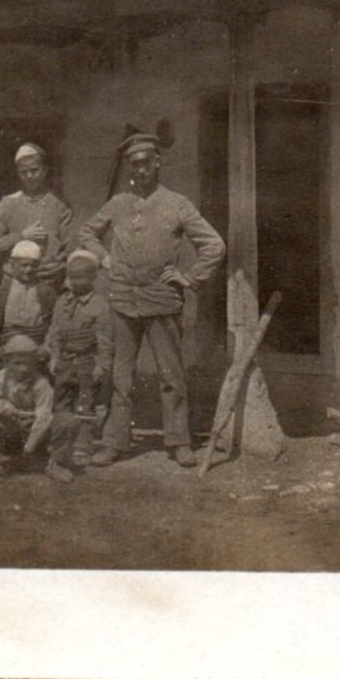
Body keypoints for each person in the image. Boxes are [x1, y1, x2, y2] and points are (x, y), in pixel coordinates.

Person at [78, 132, 225, 468]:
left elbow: (214, 245)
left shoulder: (177, 203)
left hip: (162, 300)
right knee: (121, 377)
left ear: (158, 163)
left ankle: (179, 442)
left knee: (171, 375)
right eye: (134, 164)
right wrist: (104, 259)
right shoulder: (118, 203)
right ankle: (115, 442)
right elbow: (87, 232)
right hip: (123, 300)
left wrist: (190, 278)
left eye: (146, 163)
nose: (140, 170)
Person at [0, 335, 80, 482]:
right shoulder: (3, 376)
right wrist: (3, 405)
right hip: (12, 426)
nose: (23, 369)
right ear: (7, 362)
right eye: (17, 363)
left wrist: (29, 447)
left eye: (28, 363)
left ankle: (56, 464)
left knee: (68, 421)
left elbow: (43, 419)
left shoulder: (41, 384)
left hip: (36, 430)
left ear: (35, 363)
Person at [43, 248, 113, 464]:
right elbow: (54, 333)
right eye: (72, 276)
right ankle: (60, 442)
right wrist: (53, 357)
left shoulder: (100, 305)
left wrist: (101, 366)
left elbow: (105, 340)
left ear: (94, 277)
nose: (76, 281)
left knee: (84, 402)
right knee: (62, 401)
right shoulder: (62, 301)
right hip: (64, 360)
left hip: (86, 361)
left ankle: (83, 445)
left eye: (82, 276)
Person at [0, 142, 75, 283]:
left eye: (34, 170)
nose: (29, 176)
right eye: (24, 172)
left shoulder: (59, 205)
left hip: (48, 281)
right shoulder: (8, 203)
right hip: (14, 281)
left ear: (45, 170)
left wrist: (57, 267)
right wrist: (21, 236)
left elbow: (70, 249)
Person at [0, 239, 59, 354]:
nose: (28, 270)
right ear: (13, 265)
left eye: (33, 266)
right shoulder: (3, 290)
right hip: (9, 346)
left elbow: (54, 323)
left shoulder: (45, 290)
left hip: (37, 347)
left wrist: (46, 347)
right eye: (24, 265)